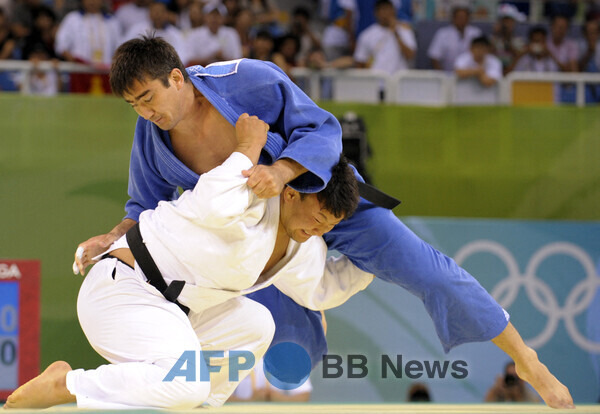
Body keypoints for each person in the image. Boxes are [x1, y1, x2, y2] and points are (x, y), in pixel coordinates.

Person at [72, 35, 574, 409]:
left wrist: (284, 169)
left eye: (149, 98)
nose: (145, 111)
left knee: (429, 269)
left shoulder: (246, 80)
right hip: (264, 234)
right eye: (134, 104)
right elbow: (144, 210)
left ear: (177, 77)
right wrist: (110, 237)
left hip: (325, 195)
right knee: (282, 336)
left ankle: (526, 358)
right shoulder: (150, 137)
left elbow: (322, 128)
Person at [5, 109, 372, 409]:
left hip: (174, 310)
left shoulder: (297, 243)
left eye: (329, 227)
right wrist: (247, 147)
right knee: (186, 381)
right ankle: (67, 384)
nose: (318, 231)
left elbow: (323, 289)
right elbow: (213, 199)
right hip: (122, 294)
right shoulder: (244, 199)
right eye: (318, 220)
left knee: (257, 324)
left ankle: (200, 406)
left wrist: (374, 262)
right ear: (293, 195)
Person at [353, 0, 416, 75]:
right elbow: (360, 62)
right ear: (376, 12)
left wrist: (396, 33)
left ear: (394, 11)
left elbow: (410, 55)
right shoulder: (367, 35)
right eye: (382, 9)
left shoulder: (405, 31)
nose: (386, 13)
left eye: (388, 9)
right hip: (376, 82)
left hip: (397, 82)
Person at [427, 3, 482, 72]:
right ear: (453, 18)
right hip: (447, 74)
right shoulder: (442, 33)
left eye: (464, 17)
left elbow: (483, 54)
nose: (462, 20)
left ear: (468, 19)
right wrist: (442, 75)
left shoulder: (476, 33)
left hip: (472, 74)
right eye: (459, 17)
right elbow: (434, 56)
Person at [185, 2, 242, 67]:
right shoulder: (194, 34)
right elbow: (189, 60)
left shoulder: (231, 33)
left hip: (226, 71)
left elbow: (238, 60)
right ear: (205, 17)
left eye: (218, 15)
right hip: (201, 72)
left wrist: (223, 58)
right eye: (211, 15)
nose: (214, 19)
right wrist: (211, 57)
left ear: (224, 18)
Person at [491, 3, 526, 75]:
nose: (507, 24)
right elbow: (488, 56)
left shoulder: (519, 40)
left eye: (510, 21)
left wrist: (507, 39)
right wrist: (496, 34)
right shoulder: (492, 39)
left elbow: (518, 58)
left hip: (513, 76)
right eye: (505, 21)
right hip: (495, 75)